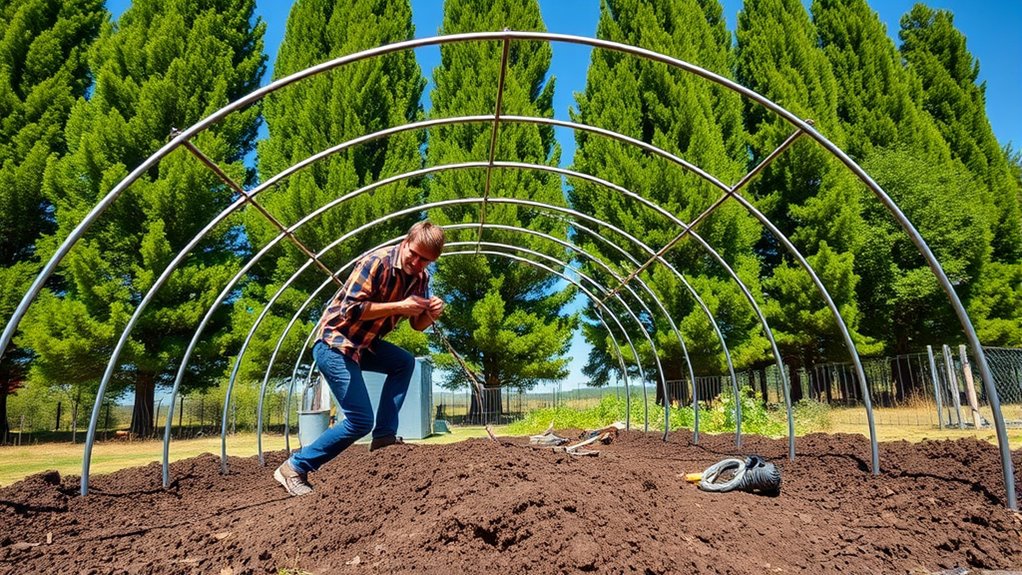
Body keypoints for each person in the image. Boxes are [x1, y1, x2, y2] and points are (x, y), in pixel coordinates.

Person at [274, 220, 445, 496]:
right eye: (413, 253)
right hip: (335, 343)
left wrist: (430, 313)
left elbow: (417, 325)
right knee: (359, 420)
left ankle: (384, 437)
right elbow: (349, 311)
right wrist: (400, 306)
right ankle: (294, 467)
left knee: (404, 362)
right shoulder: (377, 262)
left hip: (363, 345)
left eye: (425, 260)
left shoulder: (421, 279)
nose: (416, 262)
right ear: (406, 242)